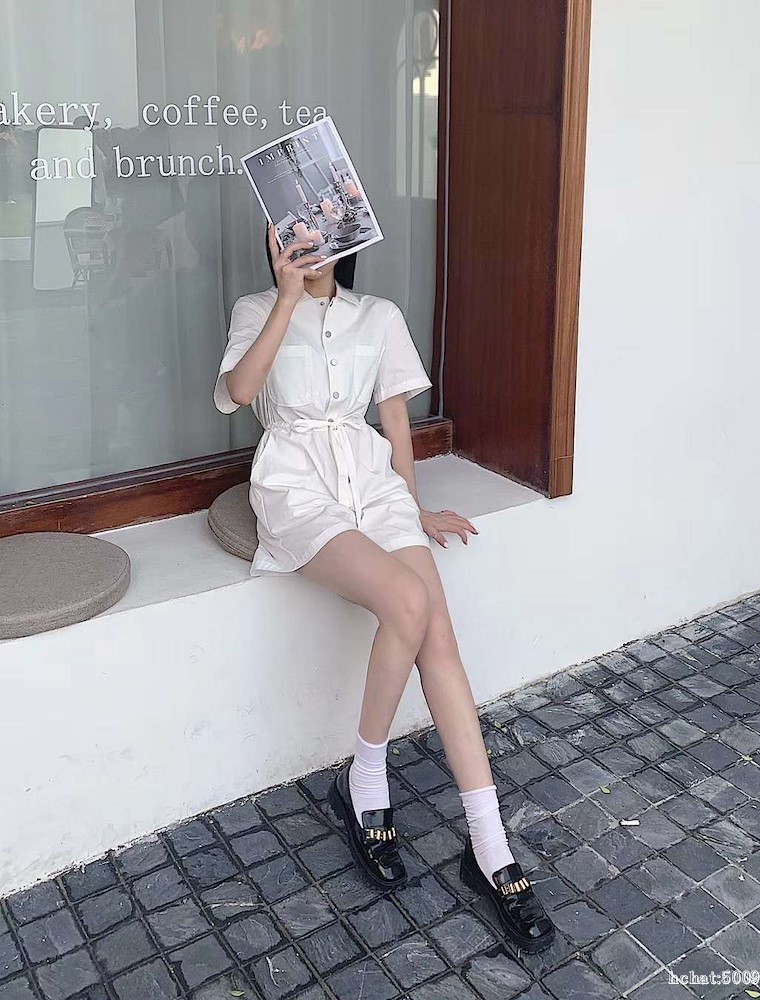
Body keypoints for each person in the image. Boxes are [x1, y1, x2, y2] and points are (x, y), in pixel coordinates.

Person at [213, 227, 554, 951]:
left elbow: (394, 420)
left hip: (373, 486)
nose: (310, 245)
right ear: (276, 240)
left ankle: (490, 848)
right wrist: (285, 296)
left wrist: (412, 507)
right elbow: (240, 392)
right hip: (296, 487)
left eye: (322, 232)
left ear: (345, 235)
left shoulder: (379, 315)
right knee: (408, 601)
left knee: (439, 636)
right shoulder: (255, 309)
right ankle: (365, 783)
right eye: (293, 232)